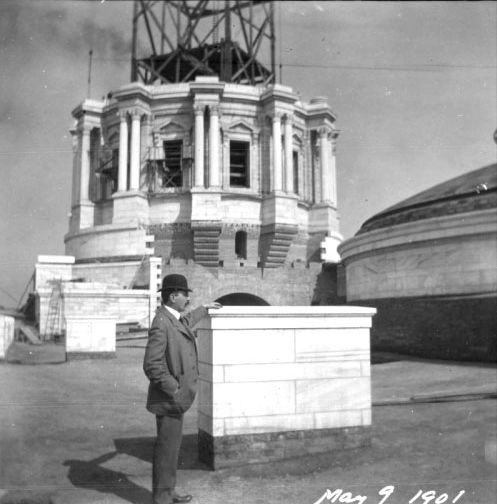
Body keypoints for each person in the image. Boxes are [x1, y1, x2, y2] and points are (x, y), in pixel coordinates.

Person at [143, 273, 222, 504]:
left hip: (174, 400)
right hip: (169, 400)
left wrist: (203, 309)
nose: (187, 298)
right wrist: (174, 388)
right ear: (173, 296)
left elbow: (185, 323)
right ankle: (162, 498)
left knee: (171, 450)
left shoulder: (172, 318)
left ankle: (168, 491)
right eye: (185, 294)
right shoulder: (161, 323)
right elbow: (151, 364)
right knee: (167, 451)